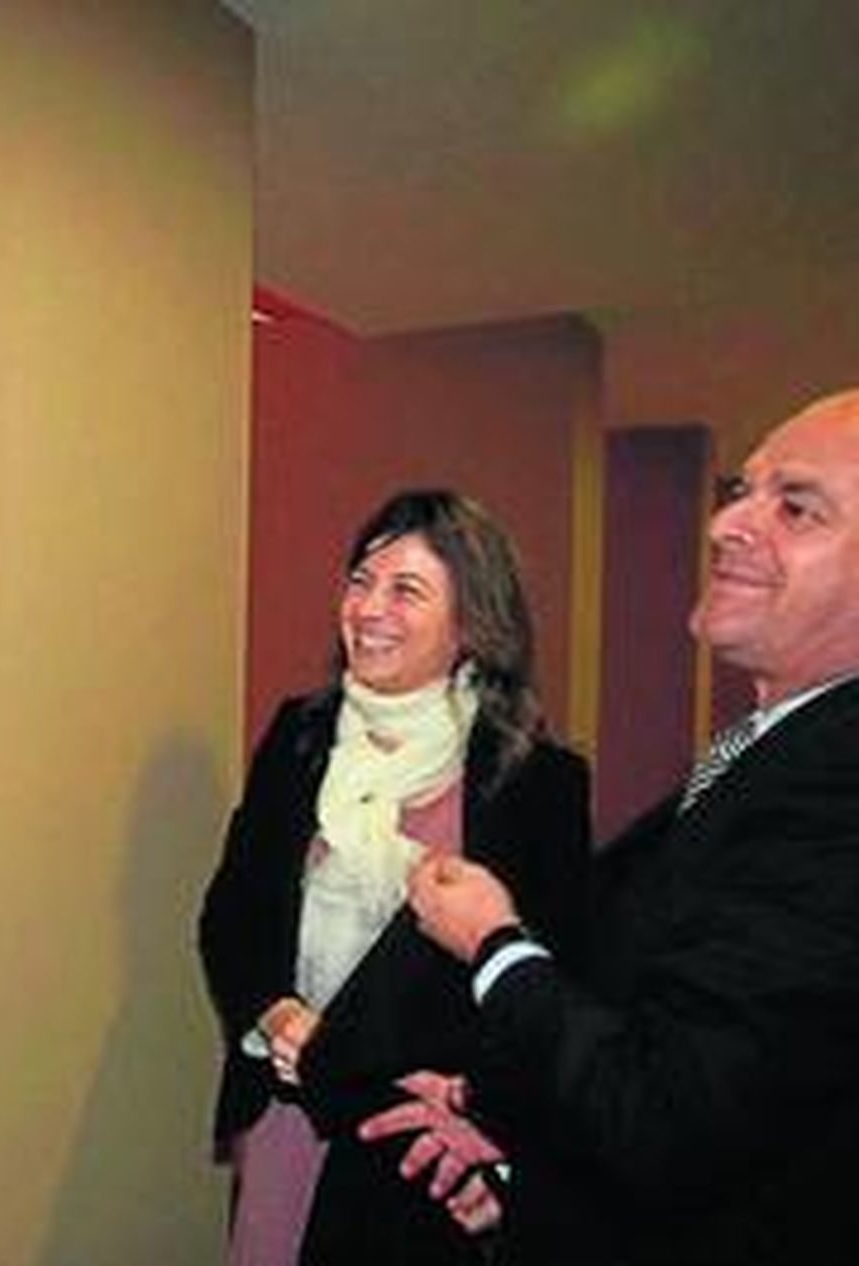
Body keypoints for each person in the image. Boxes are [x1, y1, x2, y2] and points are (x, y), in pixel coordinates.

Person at [386, 386, 859, 1265]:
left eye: (796, 507)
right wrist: (519, 1145)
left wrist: (494, 944)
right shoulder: (771, 759)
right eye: (743, 492)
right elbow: (708, 1074)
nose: (727, 526)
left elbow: (670, 1120)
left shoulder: (835, 790)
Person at [198, 488, 591, 1265]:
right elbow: (233, 913)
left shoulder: (537, 781)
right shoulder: (300, 739)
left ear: (473, 623)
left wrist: (489, 1121)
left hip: (421, 1144)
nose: (369, 608)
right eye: (360, 580)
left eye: (406, 589)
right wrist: (276, 1015)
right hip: (289, 1119)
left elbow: (560, 978)